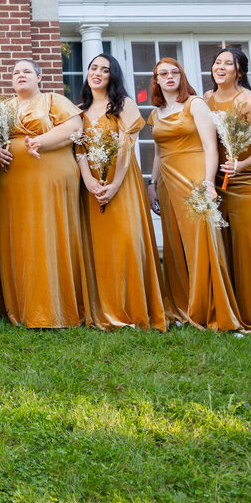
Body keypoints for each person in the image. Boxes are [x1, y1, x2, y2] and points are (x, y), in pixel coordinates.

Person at [147, 57, 246, 332]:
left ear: (182, 76)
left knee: (202, 242)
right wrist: (152, 184)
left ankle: (214, 310)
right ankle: (182, 307)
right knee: (175, 245)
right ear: (155, 80)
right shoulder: (154, 114)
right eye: (162, 74)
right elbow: (157, 152)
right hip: (166, 182)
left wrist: (208, 182)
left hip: (193, 178)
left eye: (174, 72)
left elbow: (210, 146)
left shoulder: (195, 104)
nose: (169, 77)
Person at [75, 53, 167, 331]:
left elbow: (128, 146)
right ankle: (102, 309)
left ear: (112, 76)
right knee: (97, 246)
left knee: (126, 241)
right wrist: (89, 180)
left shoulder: (124, 104)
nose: (98, 73)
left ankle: (133, 309)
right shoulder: (79, 109)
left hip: (123, 180)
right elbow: (78, 148)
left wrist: (114, 184)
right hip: (91, 185)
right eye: (94, 68)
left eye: (105, 70)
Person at [0, 58, 86, 328]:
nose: (20, 75)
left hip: (50, 175)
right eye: (15, 72)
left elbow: (74, 128)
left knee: (47, 232)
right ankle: (18, 305)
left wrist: (40, 142)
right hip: (12, 181)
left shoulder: (53, 100)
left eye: (27, 71)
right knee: (17, 236)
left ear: (39, 77)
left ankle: (52, 308)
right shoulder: (4, 107)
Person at [203, 47, 251, 329]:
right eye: (217, 62)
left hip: (248, 181)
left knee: (246, 243)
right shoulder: (207, 99)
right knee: (224, 243)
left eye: (228, 63)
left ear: (240, 71)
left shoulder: (249, 102)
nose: (220, 67)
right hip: (219, 182)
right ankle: (229, 308)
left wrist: (242, 166)